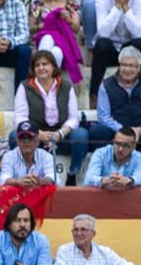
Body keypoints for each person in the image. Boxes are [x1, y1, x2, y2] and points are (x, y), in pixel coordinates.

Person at [13, 50, 87, 186]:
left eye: (45, 64)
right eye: (37, 65)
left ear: (54, 67)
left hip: (61, 134)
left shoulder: (66, 86)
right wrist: (38, 134)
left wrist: (59, 133)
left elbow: (73, 118)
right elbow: (20, 118)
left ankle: (72, 174)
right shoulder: (25, 87)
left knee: (81, 135)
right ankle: (24, 174)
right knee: (14, 136)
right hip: (35, 134)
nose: (41, 68)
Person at [90, 46, 141, 151]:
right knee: (98, 131)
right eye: (124, 65)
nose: (127, 69)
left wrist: (140, 130)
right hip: (116, 135)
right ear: (119, 65)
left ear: (139, 68)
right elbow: (103, 116)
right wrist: (123, 131)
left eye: (132, 66)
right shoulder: (106, 85)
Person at [88, 0, 141, 100]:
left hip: (130, 50)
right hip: (109, 50)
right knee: (102, 44)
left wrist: (126, 7)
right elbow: (103, 32)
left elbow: (140, 33)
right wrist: (117, 7)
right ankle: (94, 94)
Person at [28, 0, 81, 80]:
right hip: (42, 40)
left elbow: (76, 28)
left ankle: (42, 82)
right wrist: (45, 25)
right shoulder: (39, 0)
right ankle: (47, 83)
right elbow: (30, 28)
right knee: (48, 37)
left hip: (65, 41)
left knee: (57, 53)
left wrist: (67, 19)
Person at [0, 201, 52, 265]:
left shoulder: (40, 241)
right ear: (9, 224)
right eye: (17, 220)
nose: (22, 225)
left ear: (31, 223)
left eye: (26, 220)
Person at [54, 213, 134, 265]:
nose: (79, 233)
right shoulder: (64, 251)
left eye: (83, 229)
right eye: (75, 230)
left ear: (93, 234)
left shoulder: (105, 252)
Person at [0, 120, 56, 186]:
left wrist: (40, 181)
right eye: (22, 138)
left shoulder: (47, 156)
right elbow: (3, 179)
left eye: (30, 138)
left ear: (37, 141)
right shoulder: (8, 156)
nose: (26, 141)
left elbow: (52, 177)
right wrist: (18, 182)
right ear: (17, 141)